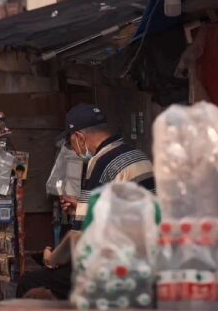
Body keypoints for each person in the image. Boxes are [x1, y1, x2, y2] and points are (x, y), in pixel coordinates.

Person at [16, 104, 155, 299]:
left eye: (71, 143)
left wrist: (51, 259)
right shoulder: (136, 155)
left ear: (80, 137)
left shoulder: (101, 163)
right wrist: (83, 208)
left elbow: (78, 239)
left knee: (29, 283)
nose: (74, 150)